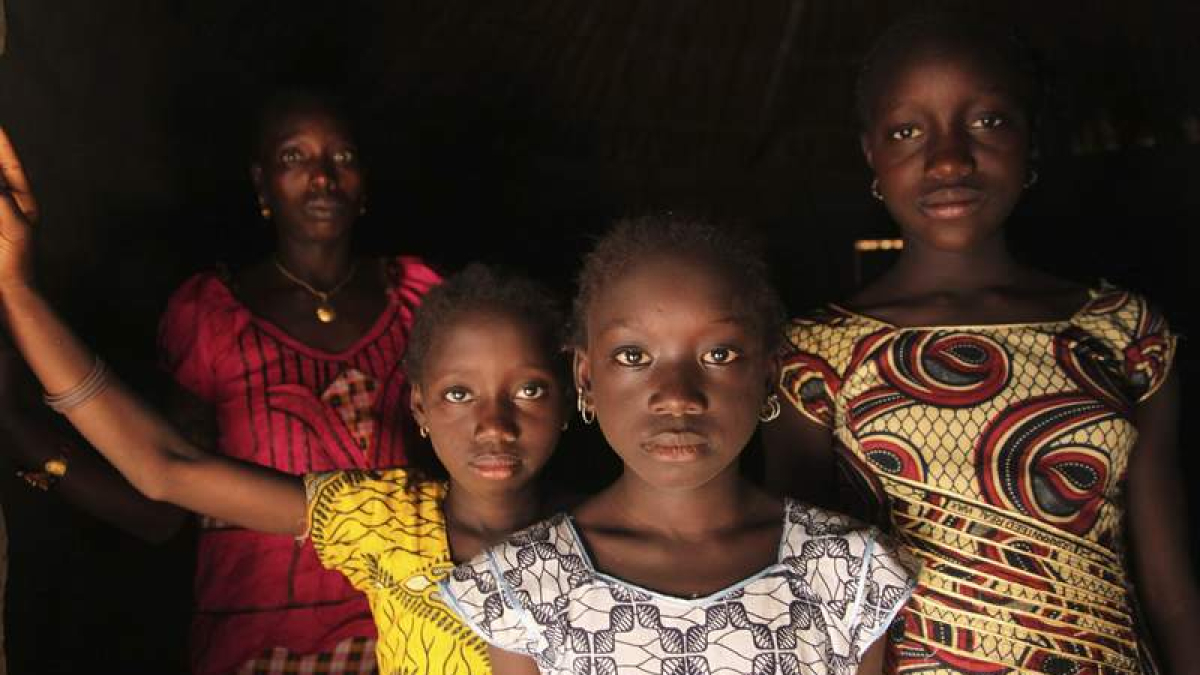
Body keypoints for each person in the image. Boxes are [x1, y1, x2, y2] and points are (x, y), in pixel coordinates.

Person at [0, 132, 570, 674]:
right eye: (458, 394)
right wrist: (18, 291)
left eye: (529, 390)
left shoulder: (603, 542)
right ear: (418, 407)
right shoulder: (387, 522)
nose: (494, 424)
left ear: (572, 396)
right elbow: (166, 468)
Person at [763, 13, 1199, 675]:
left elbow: (1170, 591)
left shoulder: (1125, 333)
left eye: (988, 121)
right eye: (908, 130)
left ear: (1032, 139)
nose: (948, 158)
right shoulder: (815, 355)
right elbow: (811, 597)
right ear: (871, 154)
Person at [441, 215, 916, 675]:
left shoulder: (848, 573)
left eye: (718, 354)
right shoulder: (524, 583)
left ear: (769, 376)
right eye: (633, 355)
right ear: (586, 378)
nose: (676, 395)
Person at [154, 90, 440, 673]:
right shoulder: (211, 316)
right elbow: (165, 486)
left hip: (405, 628)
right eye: (294, 159)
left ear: (364, 181)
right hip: (257, 643)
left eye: (342, 157)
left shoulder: (418, 298)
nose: (321, 178)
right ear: (260, 184)